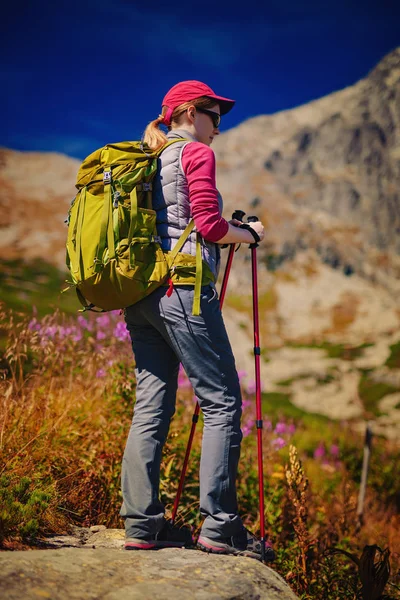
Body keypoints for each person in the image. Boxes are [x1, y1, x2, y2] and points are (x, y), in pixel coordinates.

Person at [120, 80, 274, 562]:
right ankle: (220, 526)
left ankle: (142, 524)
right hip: (183, 289)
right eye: (214, 114)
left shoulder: (149, 157)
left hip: (142, 293)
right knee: (223, 401)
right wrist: (247, 234)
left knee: (151, 406)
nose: (218, 125)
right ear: (189, 111)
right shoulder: (195, 154)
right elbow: (207, 225)